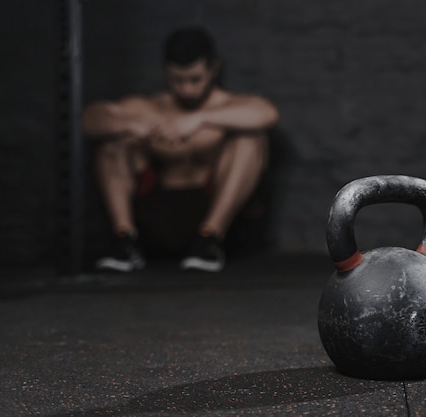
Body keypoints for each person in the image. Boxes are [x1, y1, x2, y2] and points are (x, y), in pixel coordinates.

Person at [82, 27, 280, 273]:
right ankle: (124, 242)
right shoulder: (150, 107)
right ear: (166, 72)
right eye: (177, 80)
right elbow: (90, 120)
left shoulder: (228, 107)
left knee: (250, 139)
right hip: (156, 218)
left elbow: (267, 113)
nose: (186, 89)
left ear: (213, 70)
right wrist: (133, 125)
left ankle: (209, 240)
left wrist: (199, 119)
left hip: (211, 215)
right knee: (112, 141)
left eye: (195, 79)